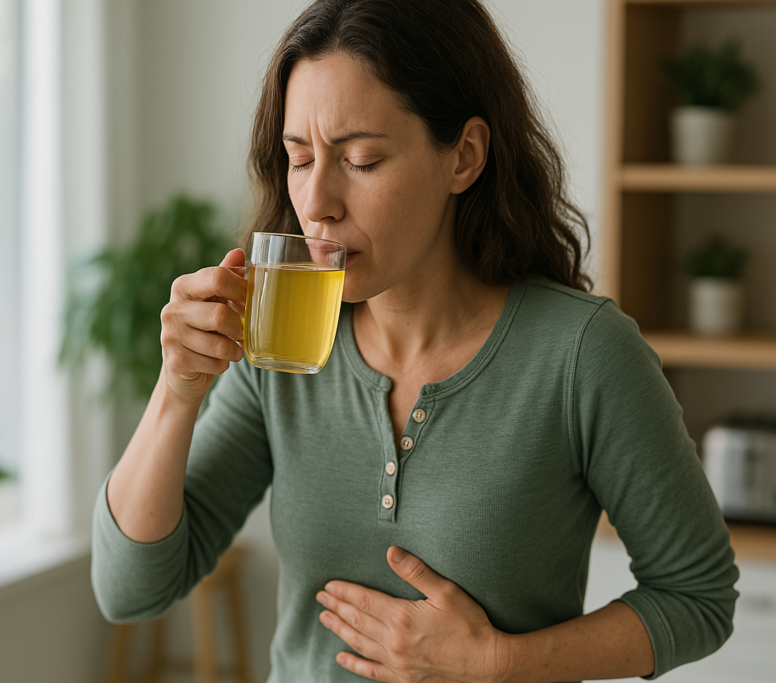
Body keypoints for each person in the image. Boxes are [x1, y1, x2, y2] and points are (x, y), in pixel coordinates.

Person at [91, 0, 739, 681]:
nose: (316, 201)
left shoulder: (583, 354)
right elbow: (130, 589)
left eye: (361, 159)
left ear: (463, 157)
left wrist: (502, 660)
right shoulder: (279, 342)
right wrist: (176, 392)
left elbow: (698, 596)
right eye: (299, 157)